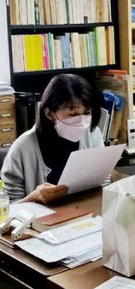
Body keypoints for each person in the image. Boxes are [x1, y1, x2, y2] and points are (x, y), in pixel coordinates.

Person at [0, 73, 104, 203]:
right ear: (49, 113)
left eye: (87, 113)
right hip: (41, 216)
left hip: (82, 212)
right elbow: (8, 207)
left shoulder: (92, 134)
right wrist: (34, 198)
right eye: (73, 114)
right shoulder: (22, 149)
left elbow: (102, 181)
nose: (82, 121)